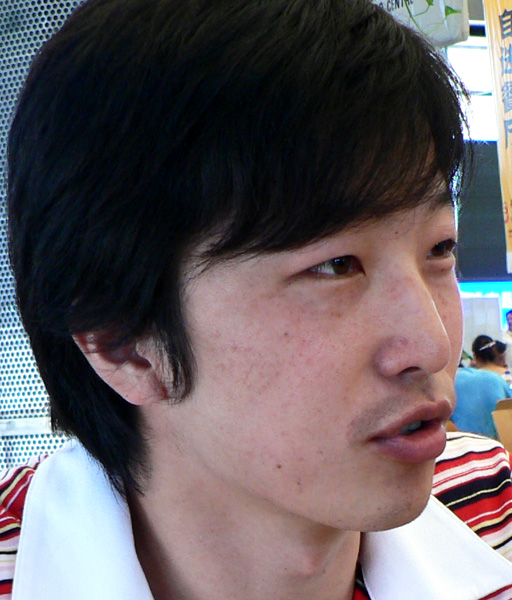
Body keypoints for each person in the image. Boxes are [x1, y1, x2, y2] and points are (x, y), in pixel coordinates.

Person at [5, 0, 512, 598]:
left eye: (440, 249)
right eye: (335, 265)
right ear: (124, 344)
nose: (433, 345)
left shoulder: (490, 507)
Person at [452, 364, 511, 439]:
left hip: (465, 440)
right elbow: (508, 403)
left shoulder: (450, 382)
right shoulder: (495, 377)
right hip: (501, 440)